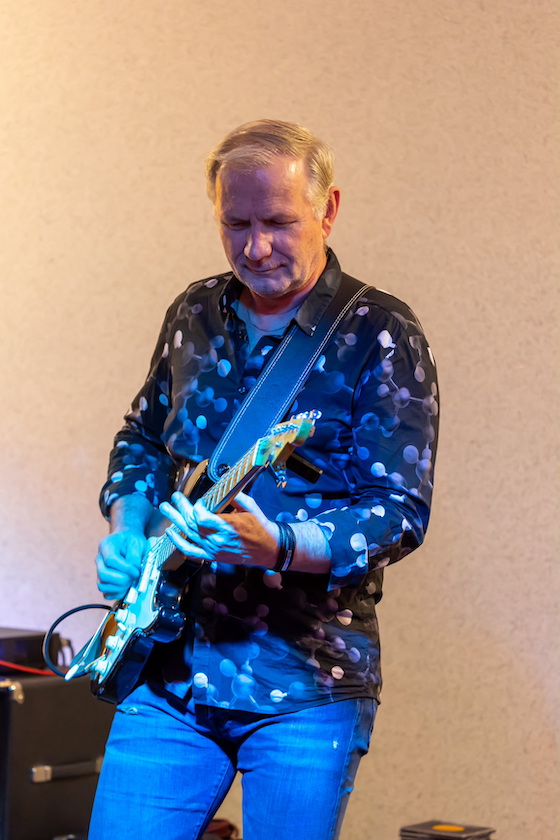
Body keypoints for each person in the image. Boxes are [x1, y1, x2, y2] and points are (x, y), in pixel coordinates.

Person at [89, 119, 439, 840]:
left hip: (304, 684)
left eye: (278, 223)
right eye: (236, 224)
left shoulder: (379, 333)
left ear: (327, 210)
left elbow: (397, 513)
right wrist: (128, 530)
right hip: (169, 665)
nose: (255, 247)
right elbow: (142, 439)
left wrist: (277, 543)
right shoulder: (193, 312)